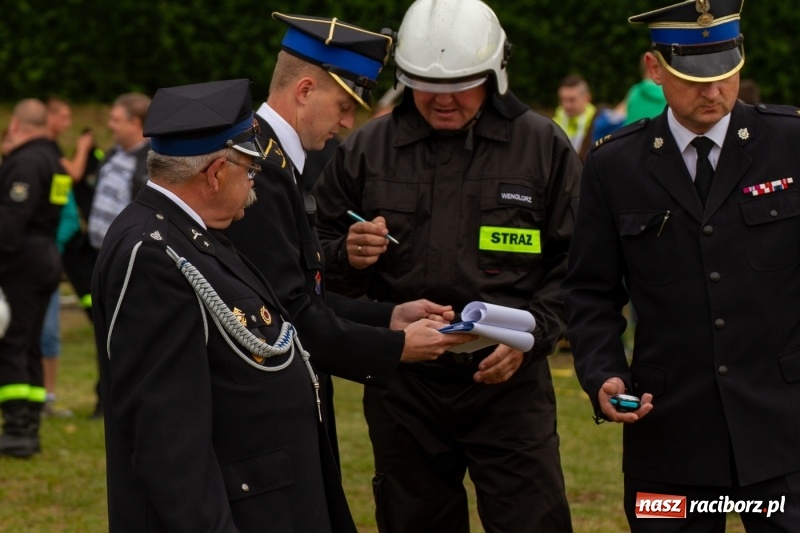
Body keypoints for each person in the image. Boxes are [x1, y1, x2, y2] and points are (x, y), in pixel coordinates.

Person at [312, 1, 579, 531]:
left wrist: (533, 338)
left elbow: (578, 263)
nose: (443, 100)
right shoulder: (368, 148)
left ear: (495, 72)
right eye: (426, 86)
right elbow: (309, 257)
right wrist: (346, 253)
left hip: (508, 382)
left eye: (461, 85)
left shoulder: (542, 145)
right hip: (404, 387)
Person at [93, 78, 380, 532]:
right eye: (249, 168)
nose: (255, 180)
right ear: (215, 173)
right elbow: (168, 439)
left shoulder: (199, 233)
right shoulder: (152, 253)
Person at [562, 0, 800, 530]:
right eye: (694, 77)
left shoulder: (790, 144)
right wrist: (602, 374)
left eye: (725, 73)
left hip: (785, 430)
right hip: (668, 433)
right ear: (654, 69)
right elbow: (589, 292)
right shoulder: (614, 165)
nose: (713, 91)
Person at [224, 12, 473, 464]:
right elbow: (285, 316)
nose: (345, 124)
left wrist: (390, 317)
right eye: (343, 107)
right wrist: (397, 347)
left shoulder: (271, 161)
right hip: (264, 415)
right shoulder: (258, 170)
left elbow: (298, 296)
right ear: (305, 91)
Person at [0, 99, 68, 458]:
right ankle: (29, 427)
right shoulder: (53, 160)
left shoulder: (26, 161)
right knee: (30, 346)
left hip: (21, 263)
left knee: (11, 343)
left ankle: (16, 431)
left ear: (16, 125)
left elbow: (10, 222)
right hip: (46, 257)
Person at [86, 91, 151, 418]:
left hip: (130, 263)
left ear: (136, 123)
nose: (109, 125)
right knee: (106, 333)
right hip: (99, 258)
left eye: (116, 119)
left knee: (129, 336)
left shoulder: (152, 162)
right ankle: (105, 398)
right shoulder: (112, 155)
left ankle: (124, 402)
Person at [621, 53, 668, 126]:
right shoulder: (668, 92)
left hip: (634, 136)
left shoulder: (634, 91)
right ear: (655, 67)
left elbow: (616, 115)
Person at [553, 73, 596, 151]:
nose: (567, 105)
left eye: (572, 100)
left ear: (587, 98)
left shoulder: (596, 122)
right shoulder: (555, 121)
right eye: (563, 100)